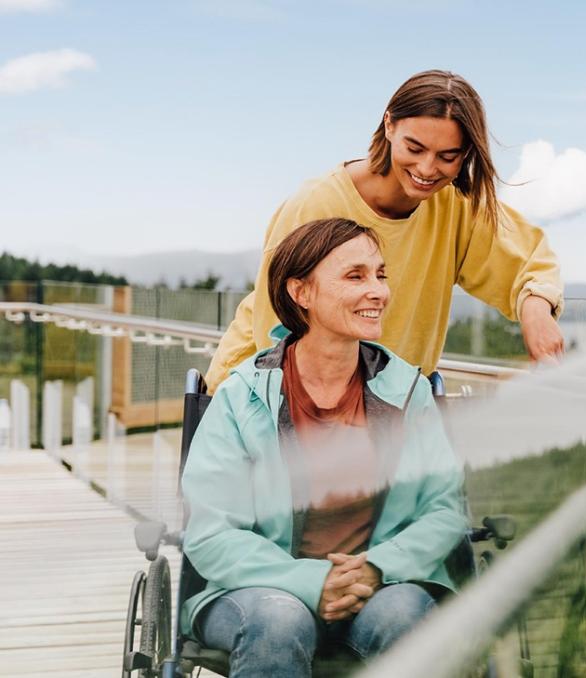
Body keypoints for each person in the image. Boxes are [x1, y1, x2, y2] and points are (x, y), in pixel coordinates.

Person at [180, 218, 468, 676]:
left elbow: (445, 512)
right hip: (262, 591)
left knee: (406, 618)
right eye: (355, 276)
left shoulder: (408, 393)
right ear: (302, 293)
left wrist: (375, 567)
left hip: (380, 585)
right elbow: (211, 530)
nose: (378, 291)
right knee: (278, 620)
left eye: (380, 275)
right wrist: (313, 581)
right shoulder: (241, 396)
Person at [205, 69, 564, 394]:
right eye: (415, 147)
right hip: (265, 396)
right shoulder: (315, 205)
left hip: (384, 411)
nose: (427, 168)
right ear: (389, 125)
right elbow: (274, 328)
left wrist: (535, 311)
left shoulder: (456, 209)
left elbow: (528, 259)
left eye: (448, 156)